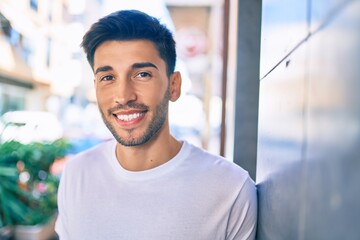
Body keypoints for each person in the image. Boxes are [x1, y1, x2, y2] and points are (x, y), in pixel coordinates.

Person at [55, 9, 257, 240]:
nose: (123, 96)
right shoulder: (76, 175)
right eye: (108, 78)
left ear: (174, 86)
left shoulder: (231, 189)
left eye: (142, 74)